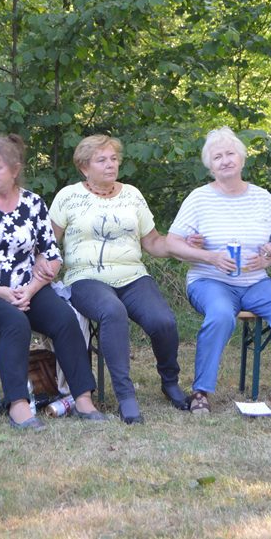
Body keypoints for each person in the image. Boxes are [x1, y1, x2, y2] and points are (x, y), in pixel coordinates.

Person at [0, 134, 103, 431]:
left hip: (27, 288)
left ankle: (82, 398)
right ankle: (18, 405)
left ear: (15, 169)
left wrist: (30, 289)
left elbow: (52, 255)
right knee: (15, 323)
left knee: (64, 318)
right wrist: (1, 293)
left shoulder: (33, 203)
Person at [165, 127, 271, 414]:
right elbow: (172, 243)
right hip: (209, 281)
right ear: (210, 166)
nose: (225, 161)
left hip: (256, 281)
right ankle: (201, 391)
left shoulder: (261, 197)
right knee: (221, 314)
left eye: (230, 153)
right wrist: (210, 257)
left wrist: (269, 257)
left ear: (242, 159)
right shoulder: (199, 198)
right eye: (217, 157)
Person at [49, 134, 189, 424]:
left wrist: (183, 246)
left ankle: (170, 382)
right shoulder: (68, 197)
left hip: (133, 276)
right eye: (102, 160)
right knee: (113, 311)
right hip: (85, 278)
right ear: (84, 167)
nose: (110, 165)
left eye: (113, 159)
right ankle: (126, 396)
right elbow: (49, 243)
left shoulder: (132, 195)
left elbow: (153, 242)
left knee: (163, 321)